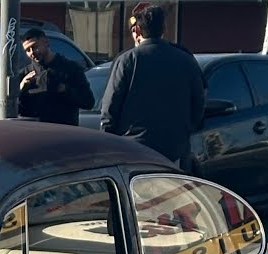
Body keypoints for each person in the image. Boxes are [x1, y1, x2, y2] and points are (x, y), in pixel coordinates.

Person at [100, 5, 205, 169]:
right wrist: (185, 131)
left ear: (138, 30)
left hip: (134, 150)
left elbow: (110, 108)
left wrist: (108, 143)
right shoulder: (186, 60)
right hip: (175, 151)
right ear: (164, 29)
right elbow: (198, 106)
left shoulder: (128, 60)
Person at [17, 28, 94, 126]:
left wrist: (64, 90)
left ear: (46, 42)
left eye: (35, 46)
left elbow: (88, 102)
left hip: (63, 131)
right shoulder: (24, 75)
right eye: (28, 50)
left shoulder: (70, 69)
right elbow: (14, 110)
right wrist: (21, 89)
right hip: (35, 131)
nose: (32, 52)